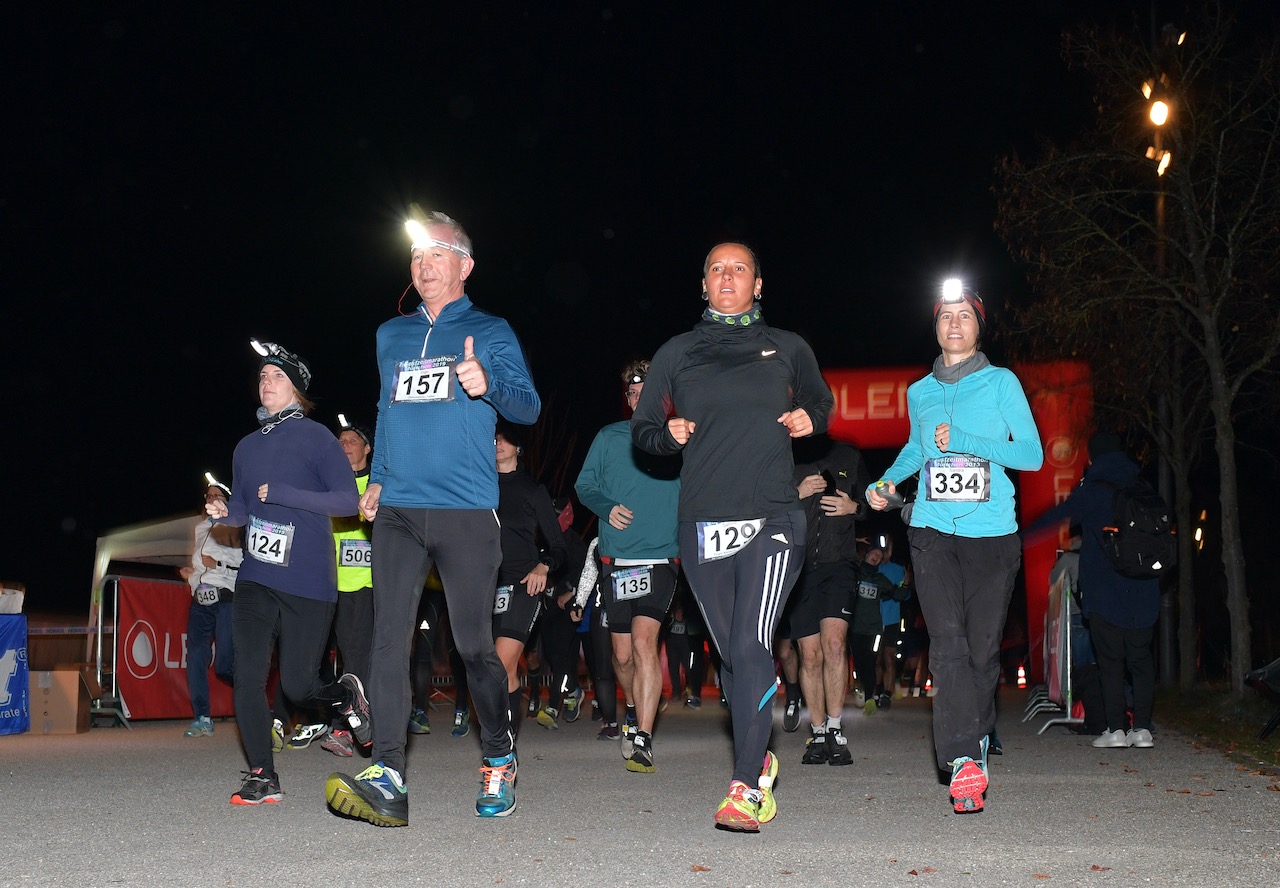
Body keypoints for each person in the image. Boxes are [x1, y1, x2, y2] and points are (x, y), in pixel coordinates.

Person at [325, 210, 540, 827]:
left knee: (475, 647)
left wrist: (487, 379)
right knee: (388, 639)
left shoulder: (490, 328)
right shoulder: (390, 335)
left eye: (436, 253)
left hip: (467, 509)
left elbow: (527, 406)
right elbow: (387, 411)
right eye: (416, 255)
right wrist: (380, 479)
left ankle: (499, 754)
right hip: (398, 511)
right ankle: (388, 772)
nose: (422, 264)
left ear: (464, 265)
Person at [631, 242, 833, 831]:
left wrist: (809, 419)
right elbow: (642, 430)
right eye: (716, 268)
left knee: (751, 645)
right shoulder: (677, 351)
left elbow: (821, 401)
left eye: (738, 268)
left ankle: (746, 783)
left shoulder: (788, 347)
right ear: (703, 285)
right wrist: (667, 434)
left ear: (758, 284)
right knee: (733, 657)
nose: (727, 276)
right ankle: (760, 755)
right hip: (702, 525)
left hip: (773, 516)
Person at [867, 279, 1042, 814]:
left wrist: (965, 441)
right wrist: (886, 483)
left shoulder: (1001, 383)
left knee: (981, 648)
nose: (954, 324)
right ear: (936, 325)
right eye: (946, 316)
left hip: (991, 535)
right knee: (945, 643)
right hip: (933, 531)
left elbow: (1031, 456)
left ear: (978, 325)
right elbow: (917, 450)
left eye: (964, 315)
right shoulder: (920, 392)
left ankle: (978, 737)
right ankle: (963, 761)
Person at [208, 340, 368, 806]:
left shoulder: (317, 437)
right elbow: (241, 510)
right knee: (248, 674)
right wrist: (222, 511)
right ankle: (263, 774)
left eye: (276, 376)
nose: (266, 383)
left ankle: (345, 694)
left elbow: (346, 502)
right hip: (257, 577)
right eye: (261, 376)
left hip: (308, 579)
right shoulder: (245, 447)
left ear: (297, 389)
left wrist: (284, 494)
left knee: (298, 685)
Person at [575, 359, 682, 773]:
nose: (638, 398)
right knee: (621, 657)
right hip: (617, 561)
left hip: (661, 557)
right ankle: (634, 703)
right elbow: (585, 485)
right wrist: (607, 506)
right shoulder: (609, 437)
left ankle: (642, 735)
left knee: (643, 643)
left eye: (646, 391)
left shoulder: (680, 438)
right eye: (632, 393)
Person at [1023, 432, 1159, 748]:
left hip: (1106, 591)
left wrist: (1017, 538)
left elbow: (1056, 516)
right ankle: (1142, 729)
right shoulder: (1144, 488)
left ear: (1093, 458)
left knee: (1109, 661)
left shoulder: (1094, 489)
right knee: (1140, 660)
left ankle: (1115, 730)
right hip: (1145, 589)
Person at [776, 438, 867, 766]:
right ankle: (816, 732)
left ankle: (835, 729)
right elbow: (764, 505)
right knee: (810, 656)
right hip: (799, 569)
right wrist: (794, 494)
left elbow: (870, 503)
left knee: (834, 644)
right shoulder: (784, 455)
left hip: (839, 567)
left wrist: (854, 507)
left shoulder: (848, 454)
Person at [313, 415, 377, 757]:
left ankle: (346, 727)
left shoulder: (379, 483)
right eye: (339, 442)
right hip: (324, 582)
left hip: (363, 583)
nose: (344, 446)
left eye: (351, 441)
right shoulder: (327, 483)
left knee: (355, 657)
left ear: (367, 449)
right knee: (310, 657)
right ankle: (306, 719)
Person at [178, 477, 242, 738]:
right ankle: (202, 716)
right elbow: (200, 563)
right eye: (208, 496)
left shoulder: (236, 525)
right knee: (195, 656)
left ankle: (251, 692)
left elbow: (242, 564)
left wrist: (218, 566)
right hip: (200, 599)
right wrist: (192, 575)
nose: (211, 500)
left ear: (227, 501)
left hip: (226, 595)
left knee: (225, 664)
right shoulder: (200, 528)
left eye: (217, 495)